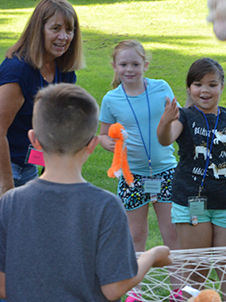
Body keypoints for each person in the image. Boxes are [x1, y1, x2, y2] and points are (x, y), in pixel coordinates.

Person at [0, 84, 171, 301]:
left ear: (34, 139)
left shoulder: (10, 203)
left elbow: (3, 286)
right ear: (92, 144)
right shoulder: (106, 205)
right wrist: (151, 255)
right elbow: (114, 288)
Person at [156, 58, 226, 301]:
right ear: (189, 88)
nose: (205, 90)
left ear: (222, 86)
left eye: (212, 84)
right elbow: (165, 139)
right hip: (190, 203)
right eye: (197, 84)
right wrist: (164, 121)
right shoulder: (183, 116)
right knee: (195, 270)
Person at [99, 40, 181, 302]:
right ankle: (135, 292)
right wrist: (106, 142)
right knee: (135, 235)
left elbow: (176, 120)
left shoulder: (161, 88)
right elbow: (102, 134)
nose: (129, 69)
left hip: (166, 171)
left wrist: (171, 119)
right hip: (132, 176)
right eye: (123, 64)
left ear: (145, 64)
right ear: (115, 66)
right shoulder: (111, 99)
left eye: (135, 64)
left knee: (172, 232)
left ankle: (178, 290)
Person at [0, 0, 84, 196]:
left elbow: (57, 129)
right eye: (56, 28)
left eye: (69, 30)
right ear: (39, 30)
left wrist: (50, 178)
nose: (64, 37)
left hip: (28, 166)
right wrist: (6, 186)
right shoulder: (17, 70)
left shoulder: (64, 72)